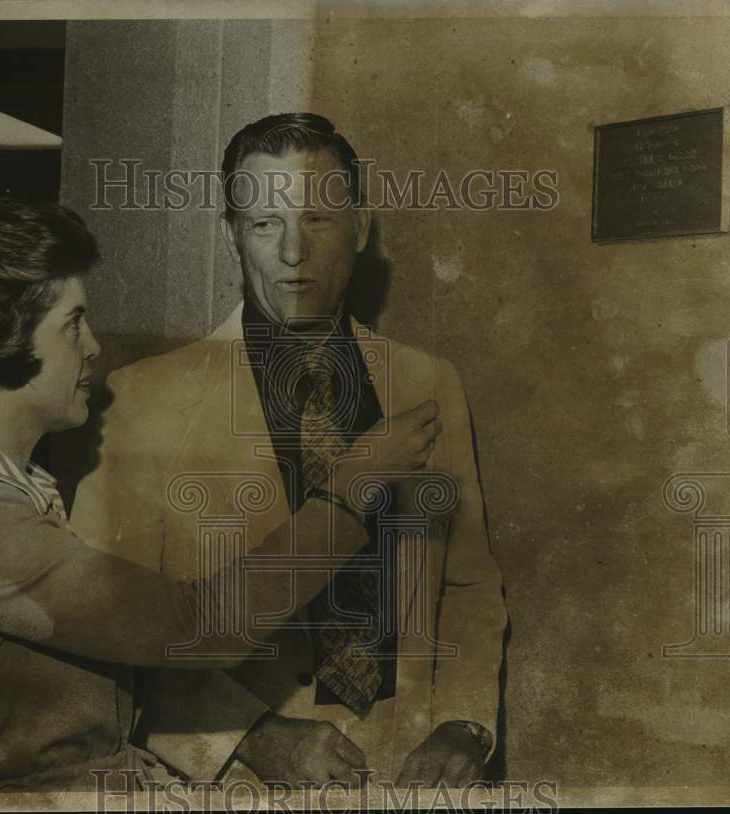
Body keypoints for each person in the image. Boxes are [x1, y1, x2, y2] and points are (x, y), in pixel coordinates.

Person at [0, 197, 440, 792]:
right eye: (73, 322)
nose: (93, 345)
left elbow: (115, 656)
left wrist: (257, 732)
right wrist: (350, 490)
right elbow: (198, 625)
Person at [70, 113, 507, 788]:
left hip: (412, 774)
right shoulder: (140, 401)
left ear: (360, 230)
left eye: (319, 220)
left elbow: (470, 585)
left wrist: (462, 723)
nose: (294, 253)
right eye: (265, 223)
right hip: (235, 782)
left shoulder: (429, 384)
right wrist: (251, 735)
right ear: (231, 236)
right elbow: (104, 628)